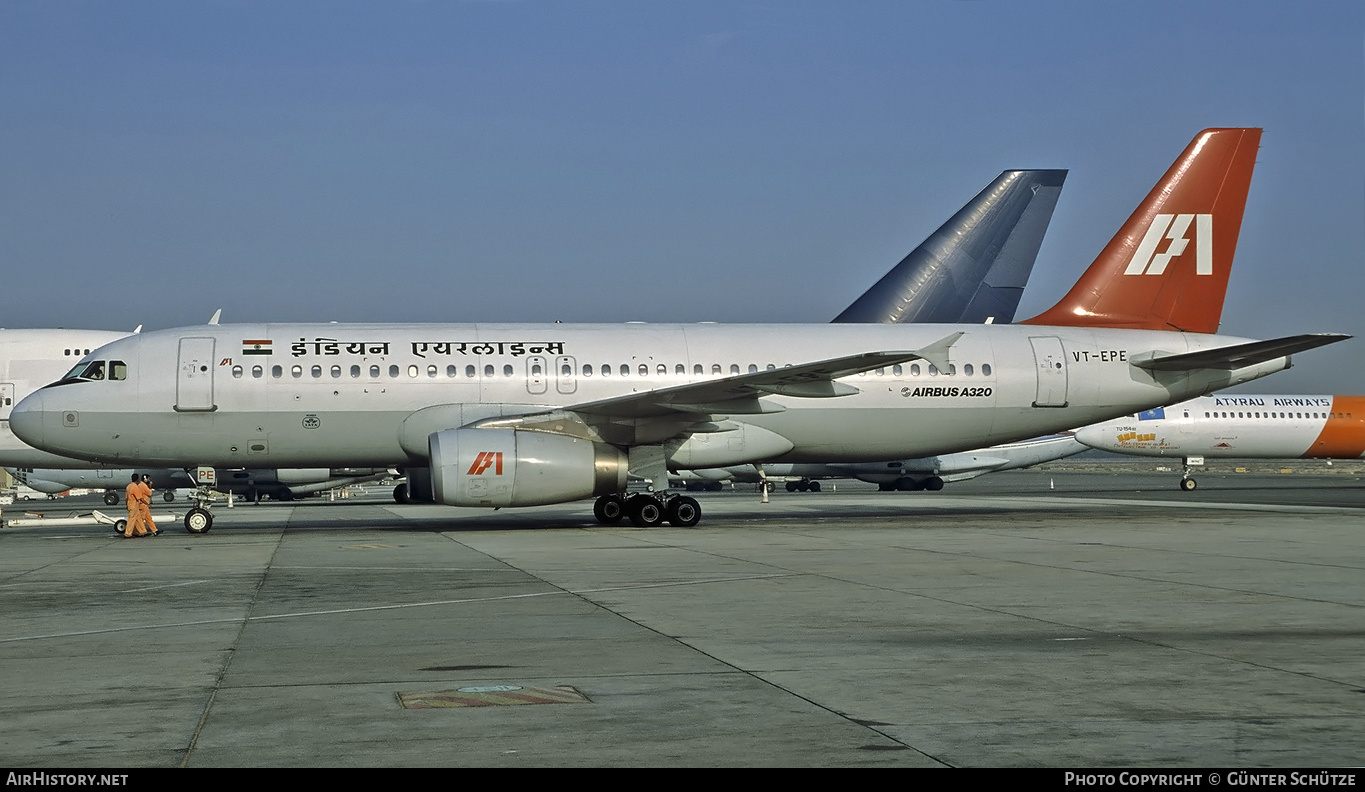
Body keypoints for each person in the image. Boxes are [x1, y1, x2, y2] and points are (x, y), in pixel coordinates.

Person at [123, 473, 147, 538]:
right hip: (134, 505)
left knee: (138, 519)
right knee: (132, 519)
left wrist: (126, 505)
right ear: (137, 479)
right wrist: (147, 503)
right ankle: (128, 533)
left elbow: (126, 498)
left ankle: (143, 531)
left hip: (130, 505)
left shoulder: (129, 486)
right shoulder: (134, 487)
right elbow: (139, 498)